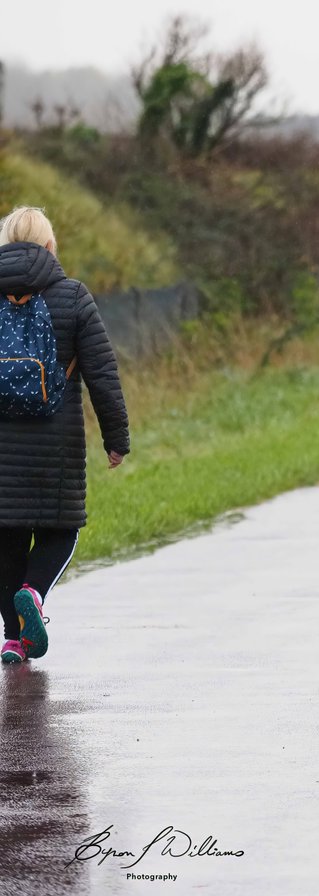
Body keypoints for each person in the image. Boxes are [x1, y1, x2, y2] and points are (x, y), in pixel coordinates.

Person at [0, 206, 129, 665]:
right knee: (62, 531)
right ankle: (33, 594)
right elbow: (102, 373)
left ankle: (14, 640)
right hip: (57, 446)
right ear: (50, 247)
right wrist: (116, 437)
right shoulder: (72, 296)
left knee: (6, 543)